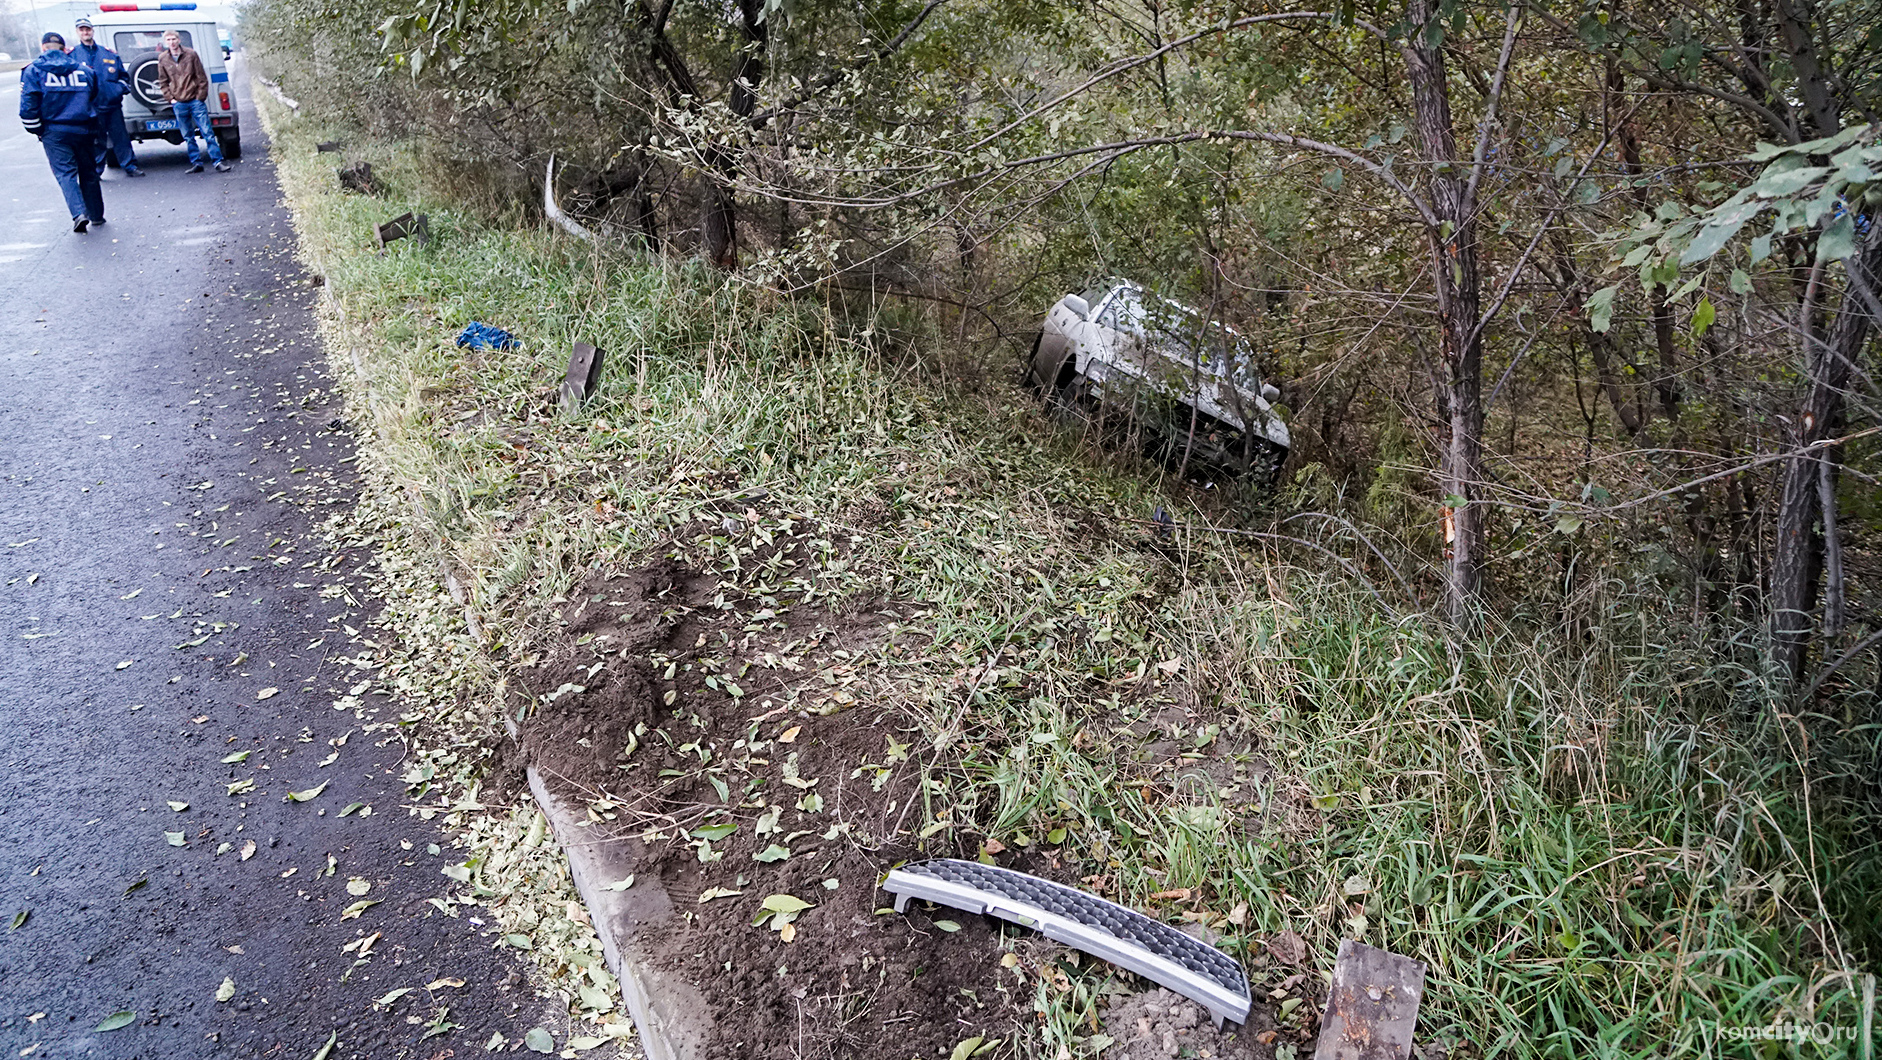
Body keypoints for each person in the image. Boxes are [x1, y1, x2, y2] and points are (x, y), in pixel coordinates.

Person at [19, 32, 106, 232]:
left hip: (54, 131)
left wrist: (38, 131)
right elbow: (95, 97)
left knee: (66, 173)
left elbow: (28, 106)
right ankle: (97, 215)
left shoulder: (33, 71)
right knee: (88, 172)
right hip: (84, 128)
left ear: (43, 48)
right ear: (65, 49)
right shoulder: (85, 71)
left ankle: (78, 214)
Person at [69, 16, 144, 178]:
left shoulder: (108, 53)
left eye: (87, 29)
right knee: (97, 141)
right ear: (77, 32)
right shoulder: (73, 56)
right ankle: (96, 171)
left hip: (112, 106)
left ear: (92, 31)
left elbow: (124, 78)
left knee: (121, 138)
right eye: (82, 30)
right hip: (91, 108)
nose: (85, 32)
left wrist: (117, 91)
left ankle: (130, 166)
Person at [155, 29, 229, 174]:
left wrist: (199, 97)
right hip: (179, 103)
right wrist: (171, 99)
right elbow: (163, 81)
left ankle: (217, 161)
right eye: (168, 40)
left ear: (179, 40)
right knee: (187, 136)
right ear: (165, 42)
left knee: (207, 132)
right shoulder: (163, 58)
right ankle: (196, 163)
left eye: (174, 39)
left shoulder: (191, 54)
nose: (172, 42)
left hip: (195, 100)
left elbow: (201, 77)